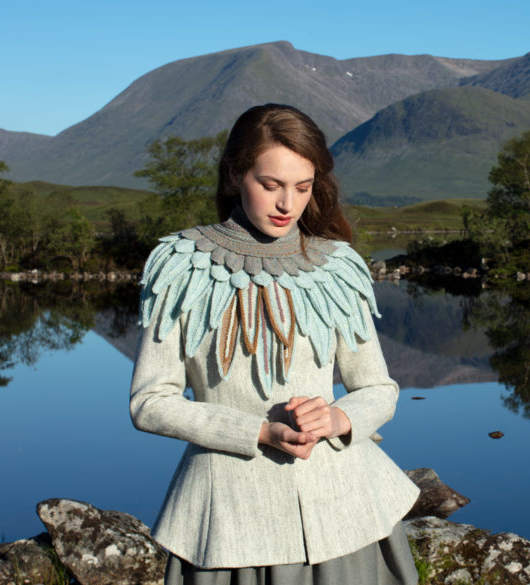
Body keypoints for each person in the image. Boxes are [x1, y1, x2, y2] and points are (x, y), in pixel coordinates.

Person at [130, 103, 420, 585]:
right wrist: (257, 433)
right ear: (235, 174)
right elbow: (149, 403)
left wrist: (337, 417)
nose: (288, 203)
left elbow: (378, 388)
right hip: (231, 524)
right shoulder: (180, 265)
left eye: (302, 188)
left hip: (346, 516)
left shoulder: (338, 266)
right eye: (271, 185)